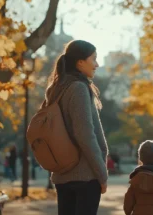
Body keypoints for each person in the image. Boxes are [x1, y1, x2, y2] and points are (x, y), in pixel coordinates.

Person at [45, 40, 108, 215]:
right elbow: (85, 134)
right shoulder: (78, 88)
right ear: (80, 62)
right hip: (85, 176)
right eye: (93, 59)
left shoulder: (56, 89)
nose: (96, 64)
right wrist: (101, 174)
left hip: (62, 174)